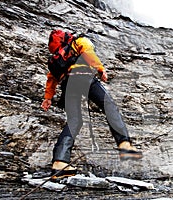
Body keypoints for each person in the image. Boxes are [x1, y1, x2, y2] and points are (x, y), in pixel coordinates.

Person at [41, 30, 142, 179]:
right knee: (109, 106)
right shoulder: (78, 42)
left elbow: (51, 78)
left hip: (68, 85)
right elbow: (88, 52)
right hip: (83, 77)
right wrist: (100, 69)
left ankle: (60, 162)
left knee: (74, 121)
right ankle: (124, 144)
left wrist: (48, 98)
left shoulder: (56, 59)